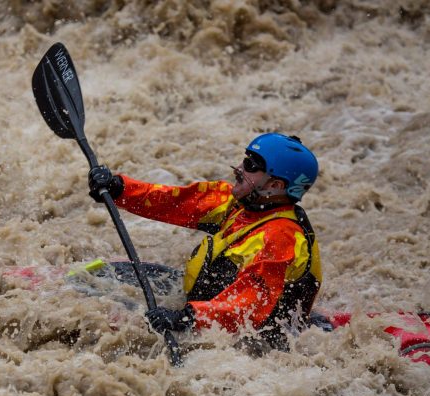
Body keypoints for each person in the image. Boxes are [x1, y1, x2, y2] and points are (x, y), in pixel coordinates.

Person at [88, 133, 322, 353]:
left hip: (249, 339)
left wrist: (185, 319)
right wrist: (119, 188)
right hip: (201, 308)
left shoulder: (282, 239)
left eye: (251, 166)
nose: (239, 169)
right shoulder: (239, 202)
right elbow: (175, 201)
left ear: (275, 186)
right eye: (245, 160)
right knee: (95, 276)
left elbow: (248, 306)